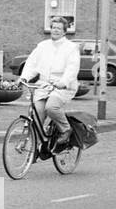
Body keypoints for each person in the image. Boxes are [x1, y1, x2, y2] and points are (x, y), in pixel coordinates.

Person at [19, 16, 80, 148]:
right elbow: (32, 64)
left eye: (59, 28)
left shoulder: (71, 48)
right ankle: (38, 146)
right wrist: (24, 78)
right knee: (37, 113)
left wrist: (64, 82)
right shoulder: (42, 46)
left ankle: (65, 129)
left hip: (62, 87)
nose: (55, 30)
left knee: (51, 107)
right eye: (53, 27)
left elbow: (72, 68)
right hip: (44, 85)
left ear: (64, 32)